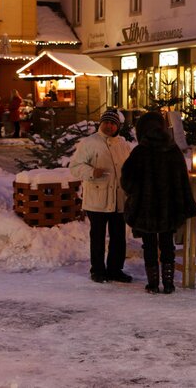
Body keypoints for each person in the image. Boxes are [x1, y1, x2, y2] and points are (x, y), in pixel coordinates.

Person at [120, 111, 196, 294]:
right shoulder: (173, 150)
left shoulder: (139, 152)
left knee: (149, 245)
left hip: (145, 208)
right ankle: (169, 283)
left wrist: (135, 193)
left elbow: (127, 180)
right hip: (168, 208)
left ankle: (153, 283)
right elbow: (183, 180)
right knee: (167, 244)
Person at [69, 109, 134, 284]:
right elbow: (75, 167)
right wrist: (91, 172)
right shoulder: (90, 143)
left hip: (118, 199)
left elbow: (129, 168)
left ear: (118, 126)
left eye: (113, 123)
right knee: (98, 237)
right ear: (101, 124)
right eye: (106, 123)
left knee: (118, 237)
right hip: (97, 199)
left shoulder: (123, 144)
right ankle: (97, 270)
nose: (109, 126)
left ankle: (115, 270)